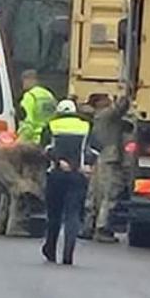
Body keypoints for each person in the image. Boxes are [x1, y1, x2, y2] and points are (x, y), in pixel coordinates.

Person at [41, 100, 93, 265]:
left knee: (54, 214)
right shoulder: (86, 126)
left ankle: (50, 248)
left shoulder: (51, 125)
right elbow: (95, 148)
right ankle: (68, 253)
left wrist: (59, 161)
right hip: (78, 175)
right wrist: (88, 165)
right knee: (73, 213)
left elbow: (45, 148)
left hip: (56, 174)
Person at [83, 92, 131, 243]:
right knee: (109, 194)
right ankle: (102, 228)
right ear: (100, 102)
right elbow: (121, 107)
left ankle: (89, 226)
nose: (110, 100)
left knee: (95, 194)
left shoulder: (97, 117)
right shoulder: (106, 115)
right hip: (110, 159)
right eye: (107, 98)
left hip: (99, 158)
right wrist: (128, 90)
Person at [0, 135, 48, 237]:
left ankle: (0, 227)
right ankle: (15, 228)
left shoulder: (25, 149)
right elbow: (31, 182)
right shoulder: (37, 156)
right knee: (20, 191)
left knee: (7, 193)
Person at [16, 70, 57, 145]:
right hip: (48, 139)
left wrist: (19, 142)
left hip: (33, 141)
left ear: (29, 80)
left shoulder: (30, 96)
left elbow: (27, 124)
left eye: (24, 81)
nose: (23, 84)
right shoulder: (49, 95)